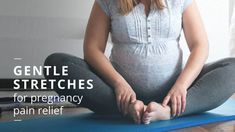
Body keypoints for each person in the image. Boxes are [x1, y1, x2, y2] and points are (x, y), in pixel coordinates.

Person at [44, 0, 235, 124]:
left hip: (173, 93)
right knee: (56, 64)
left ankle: (168, 111)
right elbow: (92, 50)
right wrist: (119, 84)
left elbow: (200, 45)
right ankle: (130, 110)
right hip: (119, 95)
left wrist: (181, 86)